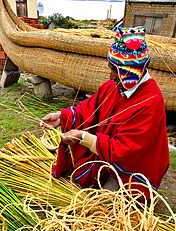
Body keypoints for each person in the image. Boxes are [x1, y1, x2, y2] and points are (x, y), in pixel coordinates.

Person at [40, 26, 169, 199]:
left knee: (103, 205)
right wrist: (61, 117)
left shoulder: (150, 102)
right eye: (111, 68)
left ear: (131, 72)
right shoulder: (112, 87)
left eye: (115, 70)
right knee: (78, 176)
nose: (110, 76)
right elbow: (87, 110)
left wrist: (83, 138)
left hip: (132, 168)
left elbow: (123, 150)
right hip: (107, 157)